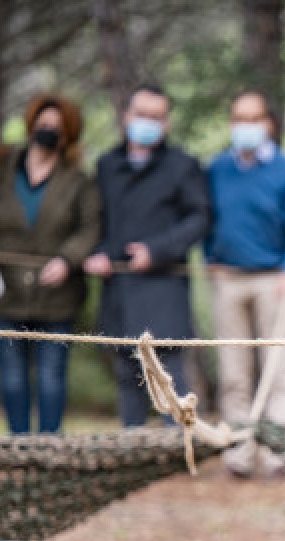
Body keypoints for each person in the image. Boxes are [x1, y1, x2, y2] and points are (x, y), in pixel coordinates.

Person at [0, 94, 100, 434]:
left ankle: (49, 447)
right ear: (31, 126)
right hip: (5, 292)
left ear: (68, 134)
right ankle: (18, 445)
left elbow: (90, 227)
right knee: (10, 377)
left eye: (56, 127)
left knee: (52, 377)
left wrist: (68, 260)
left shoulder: (78, 182)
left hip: (58, 299)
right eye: (43, 125)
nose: (48, 131)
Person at [84, 83, 210, 428]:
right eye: (142, 115)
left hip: (163, 288)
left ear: (167, 123)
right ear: (127, 116)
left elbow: (199, 219)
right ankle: (133, 450)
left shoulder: (182, 166)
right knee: (127, 374)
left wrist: (157, 251)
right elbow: (96, 221)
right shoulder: (107, 165)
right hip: (119, 290)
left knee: (169, 376)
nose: (148, 122)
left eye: (157, 117)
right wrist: (98, 254)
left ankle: (180, 450)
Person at [205, 90, 285, 477]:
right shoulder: (217, 168)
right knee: (234, 372)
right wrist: (209, 258)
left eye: (253, 119)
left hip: (274, 280)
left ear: (268, 123)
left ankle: (276, 454)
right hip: (229, 281)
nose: (245, 126)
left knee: (279, 370)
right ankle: (238, 453)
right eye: (239, 118)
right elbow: (206, 218)